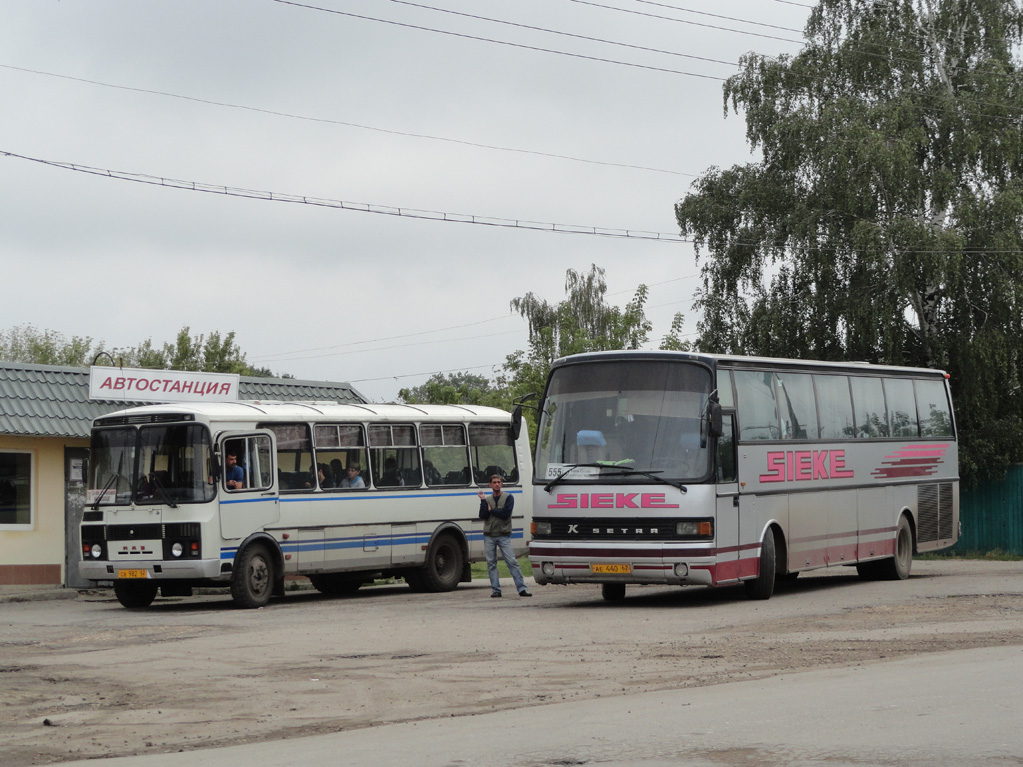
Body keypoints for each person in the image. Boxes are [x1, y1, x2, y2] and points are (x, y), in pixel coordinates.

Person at [478, 475, 531, 598]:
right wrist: (482, 501)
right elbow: (483, 515)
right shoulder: (487, 499)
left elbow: (506, 514)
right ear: (490, 485)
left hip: (503, 535)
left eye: (499, 482)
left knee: (512, 561)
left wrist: (492, 511)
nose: (497, 484)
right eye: (494, 482)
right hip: (489, 535)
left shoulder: (508, 498)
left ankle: (522, 588)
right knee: (491, 564)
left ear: (501, 484)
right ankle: (496, 590)